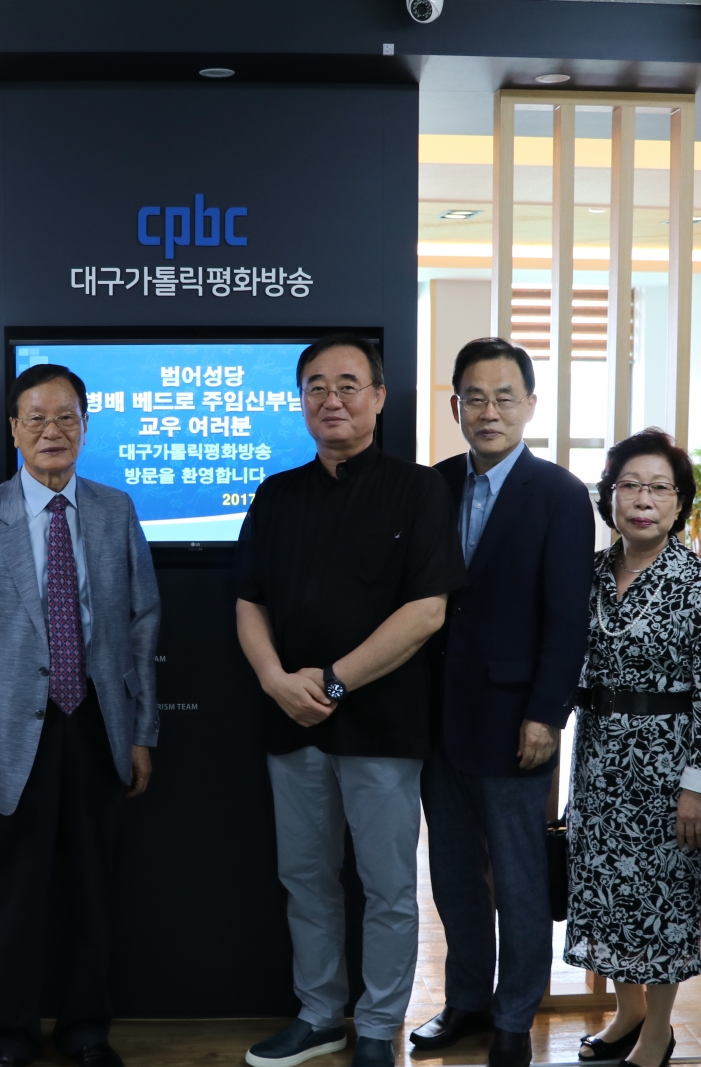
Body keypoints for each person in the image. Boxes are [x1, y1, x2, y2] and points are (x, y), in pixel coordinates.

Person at [234, 335, 468, 1067]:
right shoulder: (277, 494)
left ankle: (377, 1025)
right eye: (316, 386)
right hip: (290, 721)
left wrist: (332, 681)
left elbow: (427, 611)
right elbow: (248, 602)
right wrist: (276, 680)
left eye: (347, 384)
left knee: (388, 886)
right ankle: (319, 1015)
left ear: (379, 396)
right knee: (305, 879)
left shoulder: (419, 490)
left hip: (382, 726)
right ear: (300, 399)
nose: (330, 399)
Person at [0, 362, 161, 1067]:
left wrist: (142, 732)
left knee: (94, 887)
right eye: (36, 418)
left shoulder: (115, 510)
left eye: (66, 417)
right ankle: (12, 1034)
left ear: (86, 427)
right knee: (12, 893)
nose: (51, 430)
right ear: (13, 429)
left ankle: (87, 1029)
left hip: (96, 724)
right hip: (7, 736)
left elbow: (143, 624)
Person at [412, 338, 594, 1067]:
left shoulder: (559, 494)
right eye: (475, 398)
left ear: (530, 405)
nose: (489, 412)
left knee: (519, 877)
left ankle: (517, 1013)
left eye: (504, 398)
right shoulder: (435, 484)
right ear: (455, 406)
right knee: (453, 872)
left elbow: (568, 618)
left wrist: (547, 713)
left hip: (518, 718)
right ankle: (467, 1001)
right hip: (436, 714)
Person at [566, 429, 701, 1067]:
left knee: (664, 896)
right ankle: (627, 1010)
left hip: (668, 765)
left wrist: (699, 786)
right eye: (630, 485)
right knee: (607, 889)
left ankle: (658, 1031)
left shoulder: (698, 583)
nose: (643, 499)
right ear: (609, 496)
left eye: (659, 488)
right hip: (599, 756)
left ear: (679, 502)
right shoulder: (588, 573)